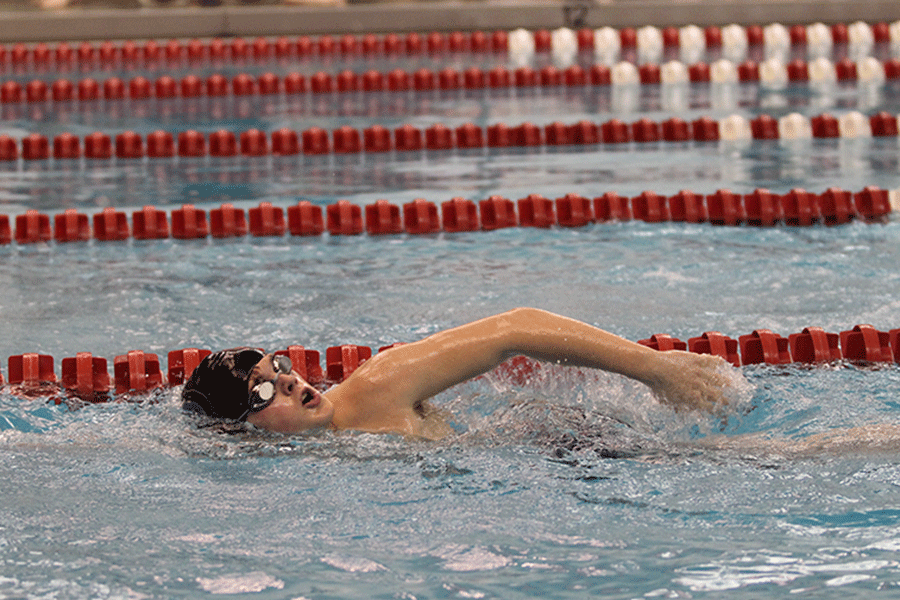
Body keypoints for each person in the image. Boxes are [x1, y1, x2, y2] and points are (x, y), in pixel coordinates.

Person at [182, 307, 734, 438]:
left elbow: (514, 328)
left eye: (281, 368)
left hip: (558, 447)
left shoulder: (376, 388)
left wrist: (653, 368)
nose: (292, 381)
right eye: (263, 390)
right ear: (238, 431)